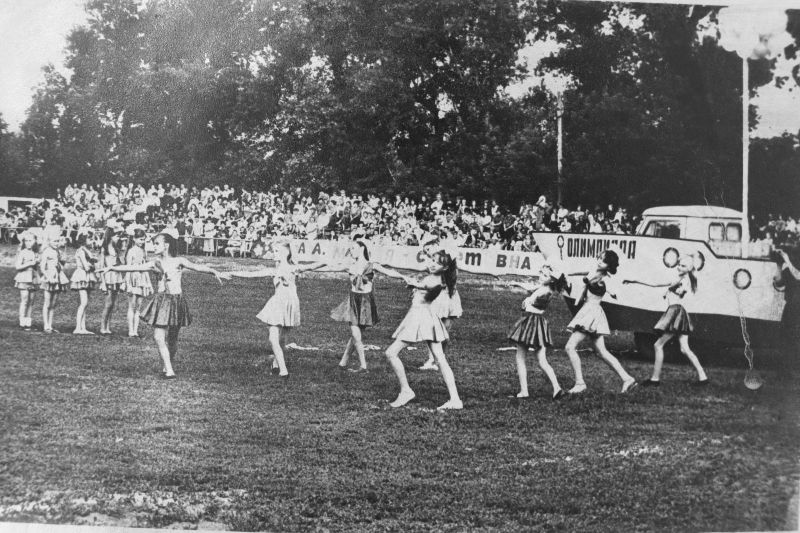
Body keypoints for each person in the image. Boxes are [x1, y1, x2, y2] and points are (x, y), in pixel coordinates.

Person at [102, 228, 228, 379]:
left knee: (172, 339)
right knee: (158, 337)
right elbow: (133, 267)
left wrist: (215, 272)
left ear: (166, 245)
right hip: (161, 302)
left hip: (176, 301)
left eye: (157, 244)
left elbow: (198, 267)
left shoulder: (179, 261)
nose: (154, 246)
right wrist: (112, 267)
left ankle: (168, 364)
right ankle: (169, 369)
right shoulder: (155, 263)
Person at [226, 241, 325, 377]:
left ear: (286, 253)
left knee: (279, 339)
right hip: (281, 303)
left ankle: (281, 368)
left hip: (287, 304)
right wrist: (232, 273)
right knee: (276, 339)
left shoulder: (292, 268)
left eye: (277, 251)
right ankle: (279, 367)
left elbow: (313, 266)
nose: (274, 253)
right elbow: (253, 274)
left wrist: (328, 261)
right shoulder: (279, 269)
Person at [383, 251, 463, 410]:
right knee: (441, 359)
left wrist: (410, 282)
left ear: (445, 268)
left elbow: (420, 285)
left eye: (438, 263)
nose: (432, 264)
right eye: (432, 260)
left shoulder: (434, 281)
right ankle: (455, 399)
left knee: (391, 353)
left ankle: (406, 391)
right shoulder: (434, 278)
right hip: (429, 318)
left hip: (420, 318)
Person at [623, 254, 709, 385]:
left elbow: (682, 289)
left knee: (658, 345)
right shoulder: (680, 279)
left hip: (676, 313)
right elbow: (655, 284)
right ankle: (703, 377)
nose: (679, 267)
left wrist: (678, 290)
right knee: (684, 349)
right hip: (680, 314)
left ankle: (655, 379)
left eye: (683, 266)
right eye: (679, 264)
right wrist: (634, 280)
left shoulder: (684, 281)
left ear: (690, 268)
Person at [564, 250, 638, 394]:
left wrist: (611, 291)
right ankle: (627, 378)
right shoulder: (595, 272)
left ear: (608, 265)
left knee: (570, 347)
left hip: (591, 313)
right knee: (602, 351)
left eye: (603, 261)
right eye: (599, 258)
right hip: (592, 313)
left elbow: (608, 289)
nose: (599, 261)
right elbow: (581, 274)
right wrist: (568, 273)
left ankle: (580, 383)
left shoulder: (603, 278)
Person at [503, 262, 570, 400]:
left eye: (544, 275)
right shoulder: (548, 289)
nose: (541, 276)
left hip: (529, 322)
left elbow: (529, 300)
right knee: (542, 360)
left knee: (520, 357)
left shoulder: (544, 291)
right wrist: (517, 283)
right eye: (541, 273)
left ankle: (524, 391)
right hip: (539, 325)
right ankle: (557, 388)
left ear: (552, 279)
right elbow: (531, 288)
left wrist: (526, 299)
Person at [327, 240, 396, 372]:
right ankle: (363, 366)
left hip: (366, 303)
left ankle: (343, 362)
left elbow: (390, 272)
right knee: (356, 335)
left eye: (353, 248)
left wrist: (405, 277)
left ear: (361, 249)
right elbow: (329, 267)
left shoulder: (372, 265)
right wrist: (307, 267)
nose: (351, 251)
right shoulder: (350, 266)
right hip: (353, 301)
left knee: (356, 336)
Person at [38, 227, 70, 334]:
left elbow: (61, 265)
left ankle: (50, 325)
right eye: (54, 241)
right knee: (47, 302)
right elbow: (42, 267)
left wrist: (63, 260)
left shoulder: (58, 251)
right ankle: (46, 325)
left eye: (58, 241)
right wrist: (48, 277)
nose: (56, 243)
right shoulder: (46, 251)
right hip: (49, 278)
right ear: (49, 241)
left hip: (57, 278)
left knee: (53, 303)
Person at [124, 226, 154, 337]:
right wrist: (127, 283)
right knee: (131, 306)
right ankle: (130, 330)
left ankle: (135, 331)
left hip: (142, 279)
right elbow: (128, 268)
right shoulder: (131, 251)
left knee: (138, 307)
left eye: (143, 239)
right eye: (140, 239)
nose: (142, 242)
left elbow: (145, 267)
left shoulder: (143, 251)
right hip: (133, 278)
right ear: (134, 239)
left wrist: (149, 284)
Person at [774, 248, 800, 365]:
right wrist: (779, 265)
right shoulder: (789, 269)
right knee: (785, 338)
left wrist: (787, 260)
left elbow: (798, 276)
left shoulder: (791, 267)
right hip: (790, 307)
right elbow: (778, 283)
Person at [99, 222, 126, 335]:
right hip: (108, 277)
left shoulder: (116, 247)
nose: (118, 238)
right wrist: (103, 282)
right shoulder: (104, 248)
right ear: (110, 236)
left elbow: (122, 262)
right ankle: (102, 327)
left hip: (116, 276)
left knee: (113, 304)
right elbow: (101, 267)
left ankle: (108, 326)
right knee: (108, 304)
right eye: (117, 236)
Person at [70, 232, 99, 334]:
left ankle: (83, 327)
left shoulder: (87, 250)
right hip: (82, 275)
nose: (92, 241)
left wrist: (93, 262)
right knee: (83, 303)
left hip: (87, 276)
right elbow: (86, 267)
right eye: (90, 239)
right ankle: (78, 328)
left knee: (85, 304)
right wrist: (93, 263)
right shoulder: (81, 251)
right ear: (83, 240)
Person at [13, 230, 40, 331]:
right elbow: (18, 266)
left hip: (33, 277)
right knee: (24, 300)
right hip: (24, 277)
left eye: (30, 240)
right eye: (26, 241)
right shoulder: (22, 252)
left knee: (31, 301)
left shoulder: (36, 252)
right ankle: (22, 322)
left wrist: (38, 262)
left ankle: (28, 323)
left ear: (35, 241)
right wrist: (30, 263)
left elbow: (37, 266)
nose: (28, 243)